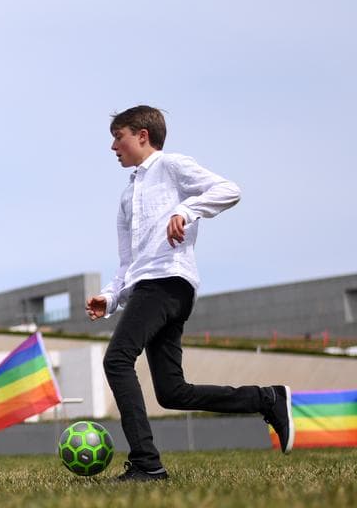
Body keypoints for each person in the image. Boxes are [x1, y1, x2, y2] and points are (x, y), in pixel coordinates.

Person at [87, 105, 293, 482]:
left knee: (117, 360)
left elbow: (229, 190)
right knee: (172, 392)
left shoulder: (171, 166)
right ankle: (267, 399)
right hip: (146, 287)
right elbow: (126, 262)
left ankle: (146, 463)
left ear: (142, 136)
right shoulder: (126, 196)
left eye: (118, 137)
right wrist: (110, 297)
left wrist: (186, 210)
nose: (113, 146)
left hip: (168, 283)